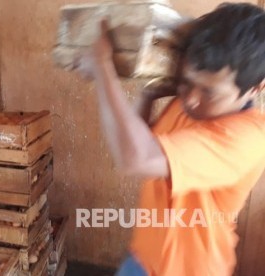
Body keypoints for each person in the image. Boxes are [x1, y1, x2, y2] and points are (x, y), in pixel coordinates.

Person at [74, 3, 265, 276]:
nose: (190, 98)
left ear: (256, 88)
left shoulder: (248, 138)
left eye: (209, 92)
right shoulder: (187, 105)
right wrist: (148, 95)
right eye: (186, 82)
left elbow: (136, 158)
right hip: (143, 259)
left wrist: (103, 67)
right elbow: (139, 143)